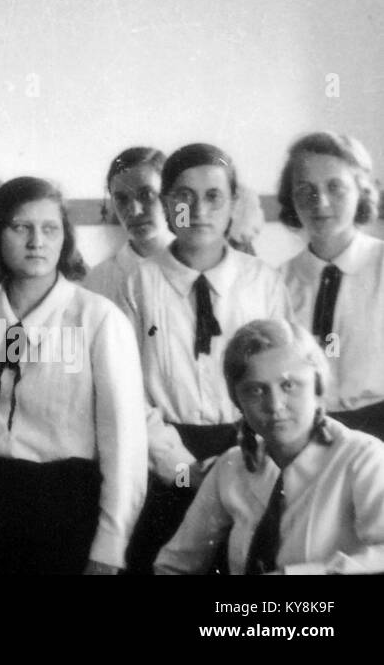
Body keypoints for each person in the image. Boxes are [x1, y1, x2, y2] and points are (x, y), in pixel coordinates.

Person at [0, 176, 146, 574]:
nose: (36, 242)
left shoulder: (98, 320)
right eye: (20, 227)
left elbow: (125, 445)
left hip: (67, 506)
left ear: (65, 238)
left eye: (49, 229)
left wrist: (110, 546)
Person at [119, 143, 292, 574]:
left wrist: (251, 455)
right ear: (165, 203)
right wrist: (180, 467)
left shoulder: (263, 283)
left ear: (233, 203)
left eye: (213, 196)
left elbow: (284, 379)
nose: (197, 210)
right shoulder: (137, 285)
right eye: (183, 197)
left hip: (251, 453)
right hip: (167, 461)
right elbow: (125, 392)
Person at [156, 319, 384, 575]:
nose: (274, 406)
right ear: (238, 401)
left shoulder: (364, 459)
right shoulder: (232, 465)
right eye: (255, 391)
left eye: (289, 385)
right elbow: (175, 564)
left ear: (318, 388)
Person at [277, 132, 384, 439]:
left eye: (335, 187)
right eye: (305, 190)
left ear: (361, 191)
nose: (320, 202)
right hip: (306, 434)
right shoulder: (279, 281)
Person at [83, 147, 171, 304]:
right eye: (122, 199)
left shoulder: (199, 268)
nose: (134, 211)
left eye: (146, 195)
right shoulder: (97, 282)